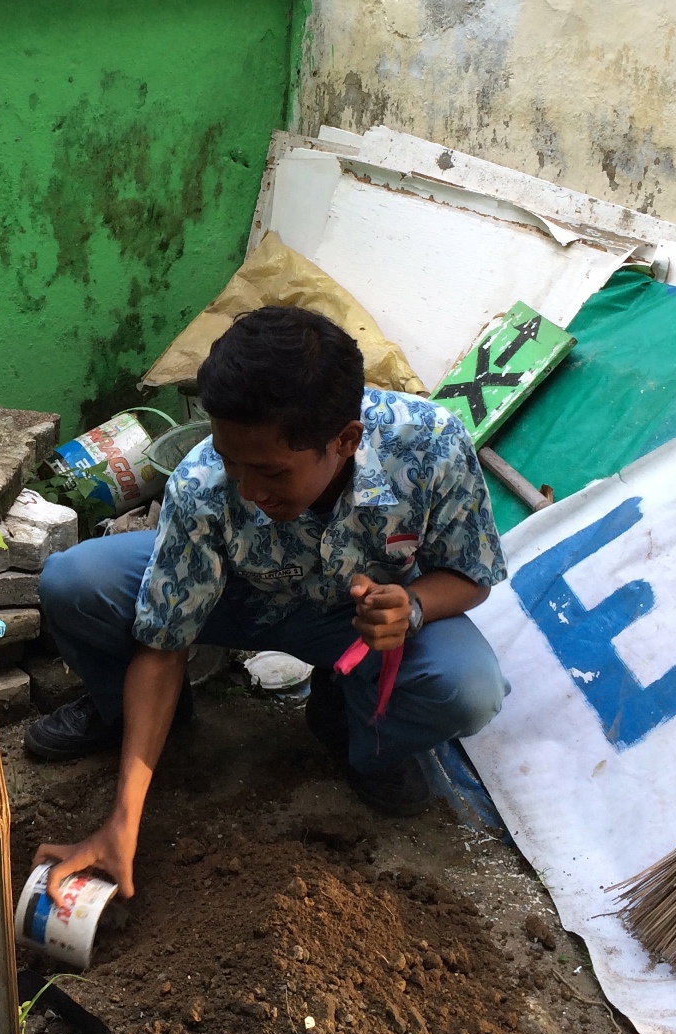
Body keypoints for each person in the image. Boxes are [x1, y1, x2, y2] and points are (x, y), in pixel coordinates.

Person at [27, 305, 509, 900]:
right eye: (231, 460)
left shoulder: (431, 445)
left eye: (271, 472)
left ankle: (352, 727)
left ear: (345, 440)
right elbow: (163, 644)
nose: (250, 490)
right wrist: (122, 822)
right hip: (234, 597)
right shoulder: (204, 480)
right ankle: (137, 722)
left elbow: (471, 575)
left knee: (468, 687)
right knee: (75, 582)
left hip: (353, 623)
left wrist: (409, 606)